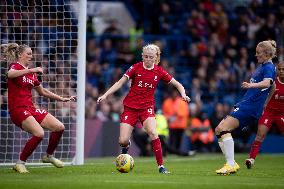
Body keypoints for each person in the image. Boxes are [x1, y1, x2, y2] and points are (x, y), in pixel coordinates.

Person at [97, 44, 190, 174]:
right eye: (145, 56)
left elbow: (178, 84)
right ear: (142, 56)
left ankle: (161, 166)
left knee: (153, 132)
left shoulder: (159, 71)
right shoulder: (135, 67)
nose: (147, 59)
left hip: (147, 108)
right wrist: (105, 94)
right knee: (123, 140)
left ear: (155, 58)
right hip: (130, 108)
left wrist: (183, 94)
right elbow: (120, 82)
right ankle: (126, 148)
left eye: (150, 57)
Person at [2, 43, 76, 173]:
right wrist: (31, 70)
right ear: (20, 54)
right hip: (17, 109)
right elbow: (10, 75)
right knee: (39, 133)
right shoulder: (16, 67)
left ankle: (48, 156)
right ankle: (20, 163)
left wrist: (62, 98)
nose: (31, 56)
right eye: (28, 54)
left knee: (59, 127)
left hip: (31, 107)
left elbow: (43, 92)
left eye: (31, 53)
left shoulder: (32, 74)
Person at [215, 40, 277, 175]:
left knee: (224, 128)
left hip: (250, 106)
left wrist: (251, 86)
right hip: (246, 104)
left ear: (267, 54)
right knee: (219, 129)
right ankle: (231, 163)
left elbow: (268, 83)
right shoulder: (263, 66)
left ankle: (230, 164)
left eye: (258, 53)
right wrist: (265, 103)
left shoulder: (269, 67)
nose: (256, 55)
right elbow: (274, 87)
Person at [246, 61, 284, 169]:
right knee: (260, 135)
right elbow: (261, 95)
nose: (281, 71)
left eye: (283, 69)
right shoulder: (272, 83)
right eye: (279, 69)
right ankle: (251, 159)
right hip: (269, 113)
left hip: (281, 114)